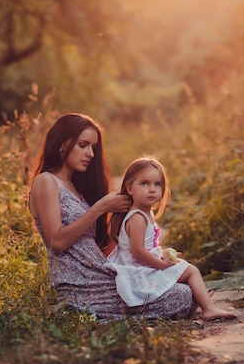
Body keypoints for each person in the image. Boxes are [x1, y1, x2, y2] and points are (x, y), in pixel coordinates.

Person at [28, 113, 197, 321]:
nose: (90, 153)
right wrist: (101, 207)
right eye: (83, 145)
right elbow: (57, 242)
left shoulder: (77, 189)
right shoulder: (46, 182)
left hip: (101, 275)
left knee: (183, 285)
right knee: (182, 295)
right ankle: (80, 309)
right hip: (79, 283)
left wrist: (153, 258)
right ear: (62, 144)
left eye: (93, 148)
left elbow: (104, 245)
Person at [108, 157, 237, 320]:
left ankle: (200, 299)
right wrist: (162, 264)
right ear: (130, 188)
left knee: (183, 271)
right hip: (138, 272)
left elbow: (146, 249)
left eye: (157, 184)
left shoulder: (146, 213)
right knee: (191, 271)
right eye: (144, 183)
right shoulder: (137, 218)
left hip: (144, 266)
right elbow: (138, 252)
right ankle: (209, 308)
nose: (152, 189)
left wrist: (163, 255)